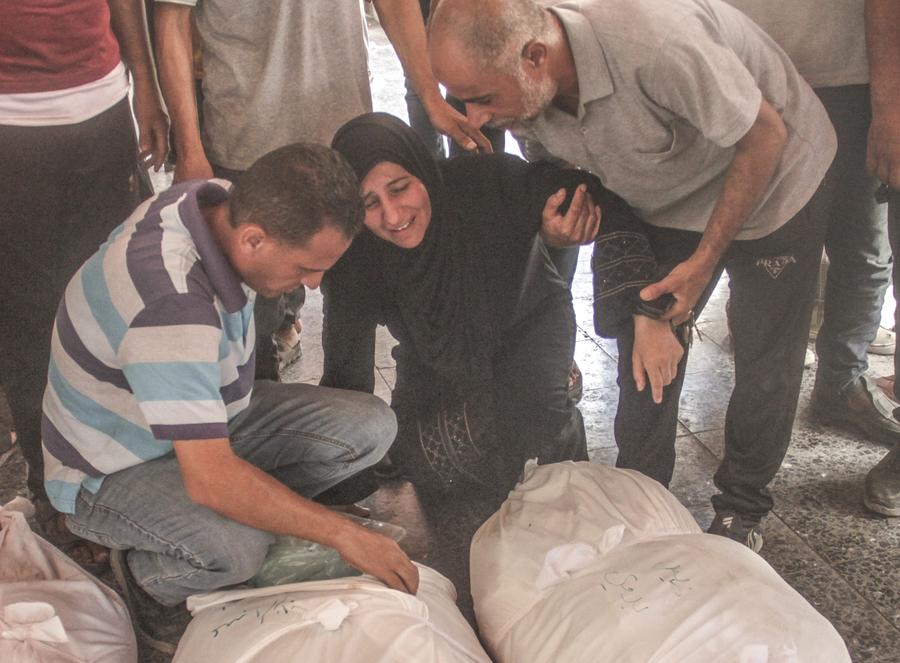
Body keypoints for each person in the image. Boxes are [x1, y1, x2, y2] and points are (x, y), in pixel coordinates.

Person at [428, 0, 837, 550]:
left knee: (765, 362)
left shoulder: (656, 41)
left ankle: (742, 509)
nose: (475, 120)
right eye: (462, 101)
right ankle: (641, 495)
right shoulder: (527, 97)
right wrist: (562, 228)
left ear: (535, 57)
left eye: (482, 99)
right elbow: (587, 183)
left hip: (775, 182)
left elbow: (764, 135)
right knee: (645, 351)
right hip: (666, 201)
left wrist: (703, 262)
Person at [41, 143, 416, 653]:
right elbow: (210, 478)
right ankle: (145, 577)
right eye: (305, 267)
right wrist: (341, 534)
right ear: (253, 239)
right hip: (109, 468)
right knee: (237, 550)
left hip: (200, 416)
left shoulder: (215, 202)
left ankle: (249, 514)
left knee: (370, 427)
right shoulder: (171, 305)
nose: (313, 284)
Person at [323, 112, 682, 492]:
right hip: (433, 355)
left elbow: (602, 200)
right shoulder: (356, 256)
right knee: (423, 456)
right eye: (370, 203)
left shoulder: (484, 183)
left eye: (399, 188)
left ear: (421, 170)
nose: (393, 215)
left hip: (529, 324)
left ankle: (558, 405)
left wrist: (646, 311)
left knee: (534, 431)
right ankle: (537, 402)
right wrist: (341, 487)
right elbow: (347, 369)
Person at [154, 0, 491, 380]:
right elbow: (172, 19)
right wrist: (189, 148)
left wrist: (430, 93)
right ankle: (255, 405)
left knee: (351, 305)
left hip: (344, 138)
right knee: (248, 330)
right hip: (249, 139)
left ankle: (345, 407)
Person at [0, 0, 168, 566]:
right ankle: (55, 492)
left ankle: (126, 478)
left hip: (101, 108)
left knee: (118, 298)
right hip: (9, 123)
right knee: (29, 321)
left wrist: (145, 85)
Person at [724, 0, 900, 445]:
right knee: (762, 246)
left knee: (863, 245)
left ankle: (841, 382)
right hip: (749, 67)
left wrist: (887, 108)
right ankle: (759, 415)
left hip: (857, 76)